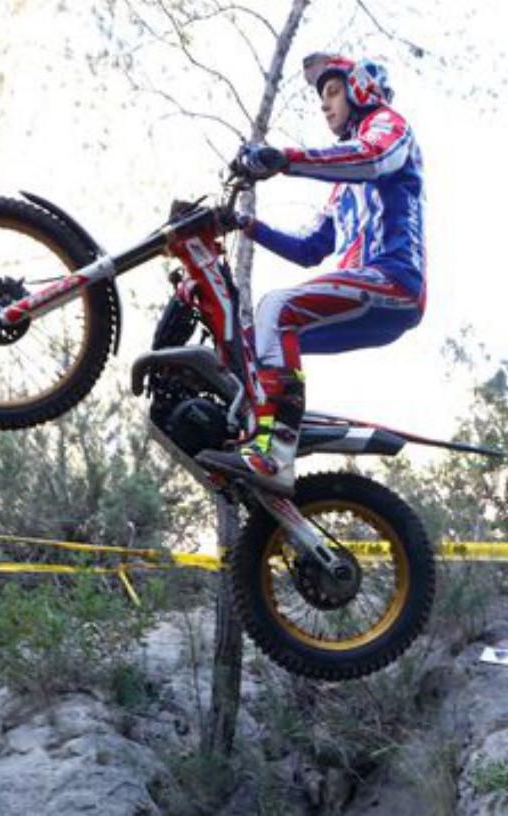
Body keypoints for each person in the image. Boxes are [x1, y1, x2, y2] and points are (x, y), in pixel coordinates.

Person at [197, 52, 426, 494]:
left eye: (333, 91)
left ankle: (275, 448)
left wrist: (283, 158)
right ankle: (248, 445)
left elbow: (372, 158)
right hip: (363, 297)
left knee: (276, 308)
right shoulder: (342, 185)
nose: (324, 104)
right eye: (322, 97)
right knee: (250, 346)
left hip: (394, 278)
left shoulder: (389, 126)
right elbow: (309, 250)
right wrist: (245, 225)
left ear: (362, 88)